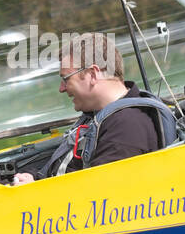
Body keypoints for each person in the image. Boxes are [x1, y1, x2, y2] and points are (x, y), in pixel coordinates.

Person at [12, 33, 171, 184]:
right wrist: (32, 177)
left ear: (92, 74)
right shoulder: (97, 117)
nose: (61, 88)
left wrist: (37, 188)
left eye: (65, 79)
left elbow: (95, 197)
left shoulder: (127, 126)